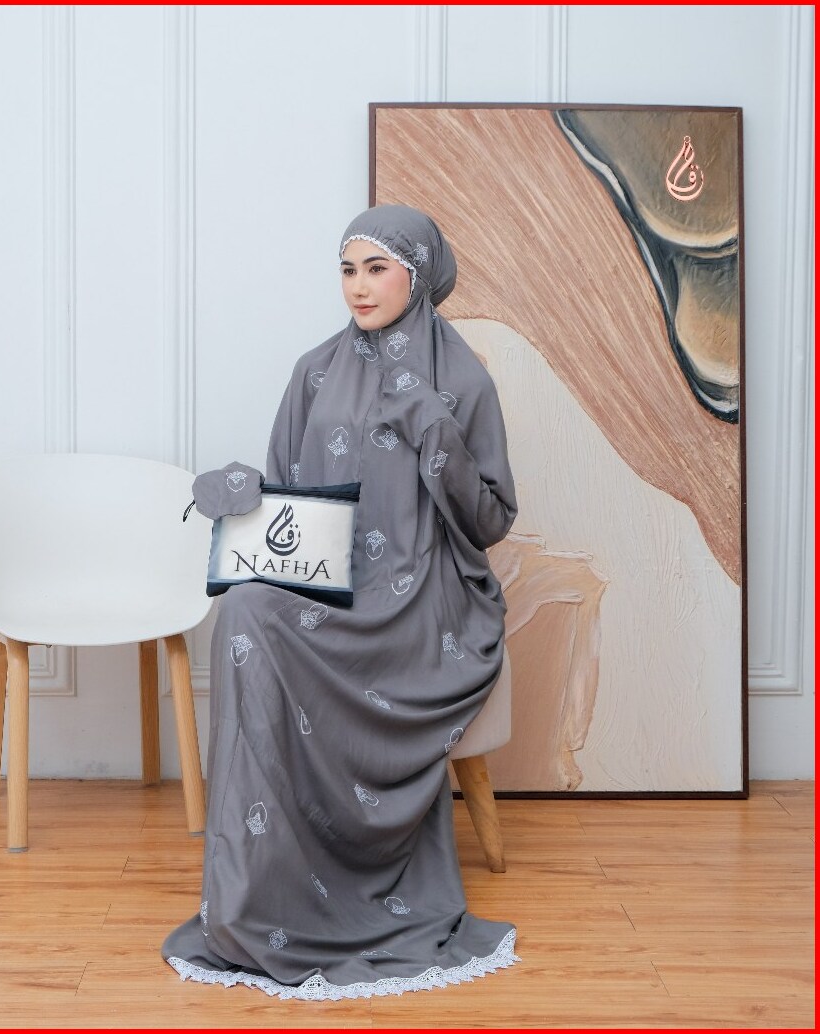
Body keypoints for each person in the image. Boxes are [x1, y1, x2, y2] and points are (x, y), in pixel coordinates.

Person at [162, 204, 519, 1001]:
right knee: (244, 611)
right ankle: (254, 890)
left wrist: (436, 433)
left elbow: (492, 520)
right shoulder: (314, 371)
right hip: (331, 586)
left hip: (425, 601)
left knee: (264, 618)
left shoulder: (463, 380)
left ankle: (366, 880)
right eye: (348, 270)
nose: (358, 287)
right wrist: (242, 496)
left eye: (376, 269)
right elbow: (293, 505)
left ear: (416, 276)